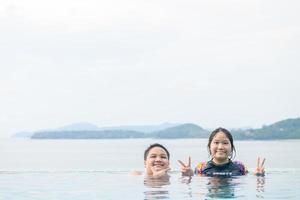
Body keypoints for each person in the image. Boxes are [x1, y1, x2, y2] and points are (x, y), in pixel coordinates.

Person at [178, 127, 266, 176]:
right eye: (216, 142)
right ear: (209, 147)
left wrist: (258, 176)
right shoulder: (201, 168)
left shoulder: (240, 167)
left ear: (231, 148)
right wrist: (189, 176)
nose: (220, 147)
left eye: (225, 143)